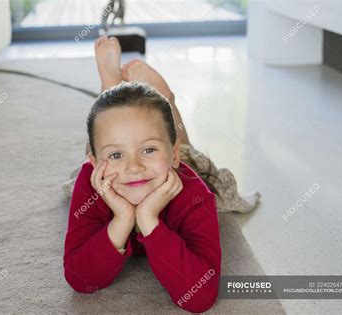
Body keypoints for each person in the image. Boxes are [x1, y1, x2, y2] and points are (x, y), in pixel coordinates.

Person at [63, 36, 223, 313]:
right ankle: (110, 89)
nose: (133, 167)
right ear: (92, 162)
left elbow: (200, 296)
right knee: (116, 131)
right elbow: (81, 280)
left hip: (179, 161)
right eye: (115, 156)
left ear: (172, 155)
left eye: (148, 150)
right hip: (139, 159)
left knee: (186, 149)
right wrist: (123, 217)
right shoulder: (93, 182)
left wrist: (148, 220)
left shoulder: (195, 193)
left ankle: (167, 100)